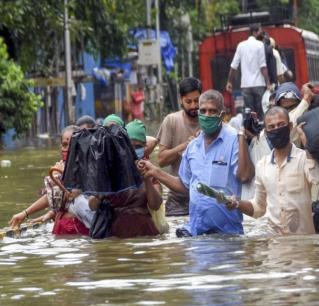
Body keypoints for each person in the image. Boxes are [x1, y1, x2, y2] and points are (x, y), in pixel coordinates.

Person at [139, 90, 254, 237]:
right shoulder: (193, 146)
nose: (207, 115)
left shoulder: (234, 140)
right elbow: (185, 185)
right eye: (203, 111)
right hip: (196, 233)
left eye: (212, 111)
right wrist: (155, 172)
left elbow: (245, 176)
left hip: (227, 234)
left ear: (222, 114)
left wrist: (242, 136)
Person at [226, 107, 319, 235]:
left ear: (290, 126)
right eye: (271, 127)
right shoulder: (262, 165)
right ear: (266, 132)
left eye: (281, 125)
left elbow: (318, 178)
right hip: (275, 246)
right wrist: (237, 203)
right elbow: (259, 208)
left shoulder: (303, 158)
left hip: (303, 246)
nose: (276, 129)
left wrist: (308, 146)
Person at [88, 120, 168, 238]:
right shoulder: (109, 170)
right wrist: (101, 192)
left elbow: (156, 205)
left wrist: (146, 179)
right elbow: (92, 205)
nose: (134, 150)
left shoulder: (149, 170)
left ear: (144, 147)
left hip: (144, 232)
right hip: (115, 233)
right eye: (130, 146)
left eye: (138, 147)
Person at [8, 125, 92, 235]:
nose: (64, 149)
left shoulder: (87, 169)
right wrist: (25, 213)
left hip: (77, 232)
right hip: (63, 232)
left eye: (69, 145)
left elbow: (74, 196)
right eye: (63, 145)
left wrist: (63, 176)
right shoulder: (61, 167)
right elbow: (51, 197)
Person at [156, 77, 202, 216]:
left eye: (197, 101)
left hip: (204, 199)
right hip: (177, 202)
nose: (193, 106)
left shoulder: (209, 122)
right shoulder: (171, 121)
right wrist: (184, 147)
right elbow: (161, 160)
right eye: (189, 101)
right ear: (180, 100)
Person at [226, 23, 271, 121]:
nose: (261, 33)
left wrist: (229, 82)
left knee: (249, 113)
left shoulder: (241, 45)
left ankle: (251, 133)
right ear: (254, 32)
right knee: (260, 113)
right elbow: (263, 66)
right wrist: (268, 83)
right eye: (259, 31)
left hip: (246, 85)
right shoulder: (260, 45)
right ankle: (260, 133)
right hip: (259, 84)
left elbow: (234, 66)